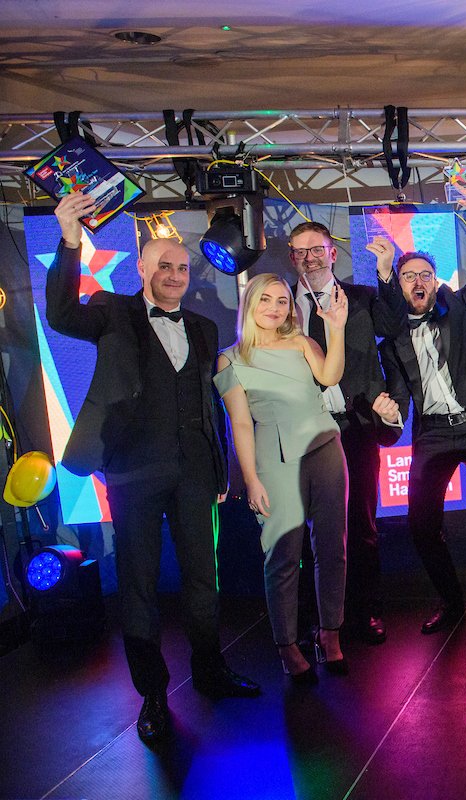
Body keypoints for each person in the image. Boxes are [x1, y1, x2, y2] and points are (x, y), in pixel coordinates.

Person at [45, 191, 259, 747]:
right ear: (140, 268)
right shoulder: (113, 312)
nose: (173, 274)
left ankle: (209, 670)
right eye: (162, 265)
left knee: (202, 580)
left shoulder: (206, 328)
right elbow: (62, 313)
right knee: (138, 586)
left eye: (182, 267)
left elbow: (209, 406)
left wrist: (220, 473)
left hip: (193, 473)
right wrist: (71, 240)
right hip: (133, 473)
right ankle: (154, 694)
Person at [371, 177, 466, 641]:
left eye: (424, 275)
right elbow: (398, 394)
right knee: (421, 526)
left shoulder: (457, 308)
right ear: (398, 286)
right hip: (434, 433)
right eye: (408, 276)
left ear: (435, 283)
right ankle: (451, 600)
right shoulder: (392, 339)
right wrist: (389, 414)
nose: (418, 282)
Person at [215, 273, 350, 683]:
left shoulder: (300, 342)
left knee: (333, 548)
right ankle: (286, 644)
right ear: (250, 305)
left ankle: (330, 633)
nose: (275, 308)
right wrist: (250, 479)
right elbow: (239, 423)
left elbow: (330, 377)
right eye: (266, 300)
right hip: (273, 458)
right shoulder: (229, 359)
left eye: (282, 300)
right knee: (283, 554)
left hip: (325, 446)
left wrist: (336, 329)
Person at [289, 221, 398, 645]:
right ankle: (315, 621)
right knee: (304, 535)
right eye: (300, 252)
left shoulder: (362, 297)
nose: (309, 257)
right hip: (302, 432)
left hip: (354, 428)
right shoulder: (283, 308)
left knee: (361, 527)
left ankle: (366, 612)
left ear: (333, 254)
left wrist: (386, 271)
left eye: (316, 249)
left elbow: (393, 321)